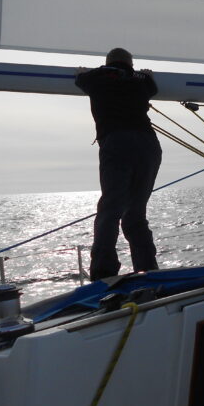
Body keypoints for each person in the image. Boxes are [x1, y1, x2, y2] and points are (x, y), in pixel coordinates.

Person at [75, 48, 162, 280]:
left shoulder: (95, 78)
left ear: (108, 62)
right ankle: (147, 270)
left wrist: (83, 72)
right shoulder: (141, 80)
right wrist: (144, 74)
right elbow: (152, 86)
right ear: (130, 64)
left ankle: (103, 272)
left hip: (117, 142)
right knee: (135, 214)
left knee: (110, 210)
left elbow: (80, 78)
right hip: (147, 144)